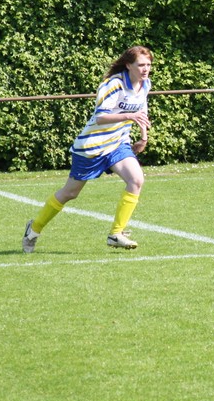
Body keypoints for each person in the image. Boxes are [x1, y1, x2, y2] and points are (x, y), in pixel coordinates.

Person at [22, 46, 153, 252]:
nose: (145, 69)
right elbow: (101, 117)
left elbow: (141, 112)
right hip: (92, 146)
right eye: (141, 65)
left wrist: (143, 137)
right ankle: (34, 229)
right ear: (128, 65)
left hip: (117, 143)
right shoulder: (113, 84)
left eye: (148, 65)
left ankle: (116, 234)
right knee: (70, 193)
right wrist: (128, 116)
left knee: (136, 180)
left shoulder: (145, 84)